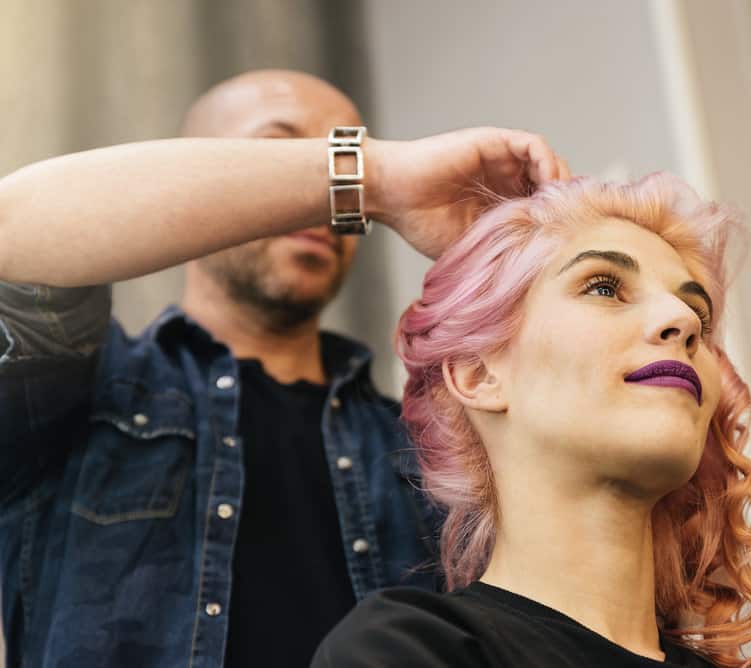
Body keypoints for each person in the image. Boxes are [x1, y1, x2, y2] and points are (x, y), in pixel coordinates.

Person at [0, 69, 569, 668]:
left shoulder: (422, 453)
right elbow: (12, 237)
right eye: (288, 154)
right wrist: (377, 174)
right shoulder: (82, 399)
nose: (330, 195)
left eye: (344, 150)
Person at [311, 173, 751, 668]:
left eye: (699, 310)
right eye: (604, 287)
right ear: (479, 375)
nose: (685, 320)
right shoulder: (403, 650)